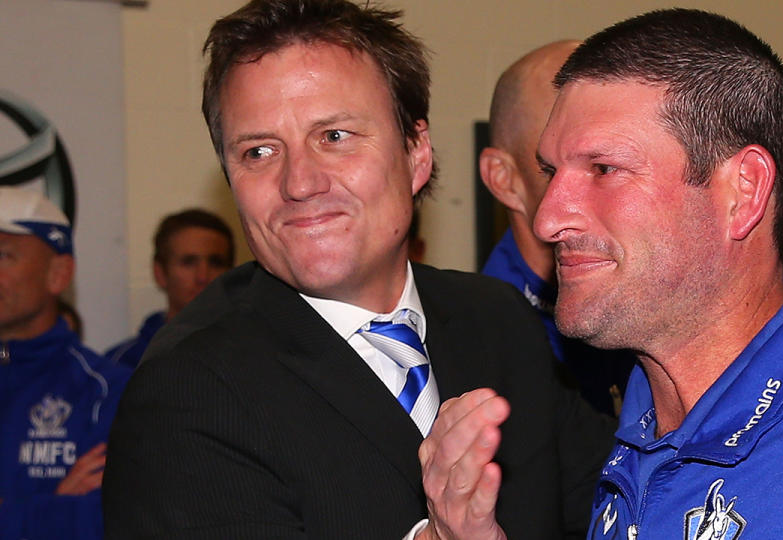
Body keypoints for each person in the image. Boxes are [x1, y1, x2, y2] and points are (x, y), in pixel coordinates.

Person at [420, 8, 783, 539]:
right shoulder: (632, 437)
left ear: (743, 191)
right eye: (550, 172)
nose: (548, 217)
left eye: (605, 169)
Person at [102, 1, 612, 539]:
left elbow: (620, 508)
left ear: (417, 154)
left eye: (335, 136)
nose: (299, 183)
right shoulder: (190, 390)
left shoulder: (497, 318)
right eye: (258, 151)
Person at [480, 41, 634, 417]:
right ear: (505, 180)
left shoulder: (644, 300)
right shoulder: (480, 356)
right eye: (553, 166)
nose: (607, 186)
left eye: (612, 164)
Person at [0, 187, 131, 540]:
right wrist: (52, 507)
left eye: (3, 255)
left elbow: (106, 521)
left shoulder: (106, 390)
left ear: (58, 274)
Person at [104, 208, 234, 368]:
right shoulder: (121, 365)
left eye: (216, 263)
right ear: (160, 273)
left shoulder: (254, 353)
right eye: (189, 262)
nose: (203, 276)